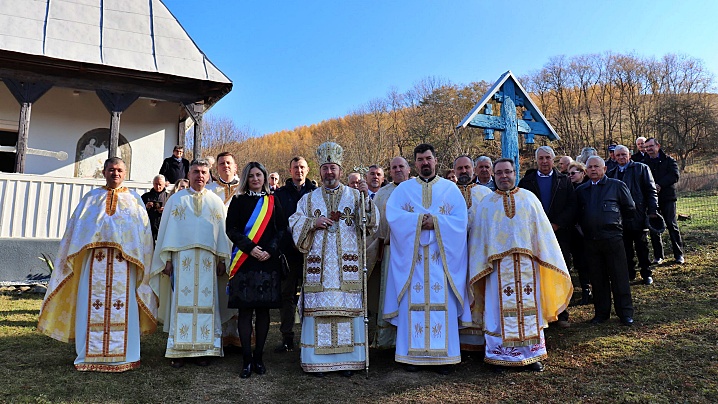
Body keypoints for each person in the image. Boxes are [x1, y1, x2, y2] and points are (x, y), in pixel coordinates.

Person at [38, 157, 158, 372]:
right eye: (111, 169)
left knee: (124, 306)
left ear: (125, 172)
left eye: (120, 170)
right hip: (94, 263)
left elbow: (143, 236)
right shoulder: (91, 199)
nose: (116, 173)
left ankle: (127, 355)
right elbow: (76, 232)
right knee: (90, 304)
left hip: (125, 264)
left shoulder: (134, 200)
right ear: (103, 172)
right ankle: (89, 354)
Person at [468, 158, 572, 372]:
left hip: (527, 267)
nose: (504, 176)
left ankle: (531, 356)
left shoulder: (529, 199)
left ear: (515, 173)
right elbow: (478, 241)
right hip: (496, 269)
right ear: (494, 176)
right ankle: (499, 357)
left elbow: (543, 234)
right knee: (497, 311)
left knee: (529, 309)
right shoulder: (486, 204)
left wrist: (543, 258)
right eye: (499, 173)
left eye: (507, 172)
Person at [289, 142, 378, 377]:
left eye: (333, 168)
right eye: (325, 168)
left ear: (340, 169)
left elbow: (370, 224)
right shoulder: (308, 200)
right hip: (318, 270)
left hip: (346, 268)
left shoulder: (355, 196)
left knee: (346, 312)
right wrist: (312, 223)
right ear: (320, 170)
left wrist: (367, 198)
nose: (329, 172)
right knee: (320, 312)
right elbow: (294, 223)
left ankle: (348, 362)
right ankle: (317, 361)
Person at [385, 143, 471, 375]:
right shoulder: (403, 190)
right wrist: (416, 222)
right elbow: (393, 217)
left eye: (429, 158)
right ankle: (412, 357)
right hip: (412, 263)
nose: (425, 163)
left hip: (441, 262)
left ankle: (444, 358)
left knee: (442, 304)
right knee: (412, 305)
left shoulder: (450, 189)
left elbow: (461, 221)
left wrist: (436, 222)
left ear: (435, 161)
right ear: (415, 163)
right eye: (420, 159)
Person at [150, 159, 232, 368]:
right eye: (196, 172)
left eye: (204, 172)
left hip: (208, 262)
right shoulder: (176, 200)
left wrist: (223, 259)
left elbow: (222, 233)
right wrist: (166, 259)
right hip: (182, 260)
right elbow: (167, 231)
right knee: (181, 304)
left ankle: (204, 349)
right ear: (189, 173)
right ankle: (179, 350)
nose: (200, 176)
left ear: (209, 174)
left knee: (208, 304)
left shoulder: (215, 202)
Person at [226, 162, 287, 378]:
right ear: (245, 178)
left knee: (263, 311)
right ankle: (246, 359)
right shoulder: (238, 200)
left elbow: (281, 229)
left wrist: (269, 250)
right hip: (245, 260)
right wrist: (251, 249)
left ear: (264, 177)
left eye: (259, 175)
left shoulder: (272, 200)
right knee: (245, 311)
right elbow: (231, 229)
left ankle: (259, 357)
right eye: (251, 175)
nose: (255, 179)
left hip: (268, 261)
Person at [518, 145, 576, 328]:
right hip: (533, 236)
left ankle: (561, 313)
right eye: (541, 158)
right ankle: (538, 312)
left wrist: (556, 224)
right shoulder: (526, 182)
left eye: (547, 158)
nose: (544, 161)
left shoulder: (564, 181)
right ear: (536, 160)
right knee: (537, 272)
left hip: (559, 234)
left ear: (553, 160)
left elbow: (572, 206)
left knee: (559, 269)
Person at [575, 156, 636, 326]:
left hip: (613, 239)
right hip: (591, 241)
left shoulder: (617, 186)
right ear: (585, 170)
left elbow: (630, 210)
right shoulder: (581, 190)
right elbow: (577, 215)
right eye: (590, 167)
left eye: (597, 166)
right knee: (597, 278)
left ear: (604, 169)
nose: (593, 170)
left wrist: (619, 229)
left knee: (619, 277)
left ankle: (625, 313)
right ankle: (601, 313)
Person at [273, 156, 318, 352]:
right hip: (288, 252)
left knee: (312, 294)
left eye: (302, 167)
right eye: (295, 168)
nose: (298, 171)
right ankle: (287, 337)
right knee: (287, 295)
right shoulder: (280, 194)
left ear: (307, 170)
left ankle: (312, 336)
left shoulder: (316, 194)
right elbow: (277, 223)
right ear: (289, 171)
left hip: (311, 253)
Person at [367, 156, 410, 349]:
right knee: (390, 294)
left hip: (413, 252)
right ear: (390, 172)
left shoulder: (417, 190)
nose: (398, 169)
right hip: (390, 252)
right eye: (394, 167)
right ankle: (388, 341)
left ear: (409, 169)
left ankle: (411, 337)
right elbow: (374, 227)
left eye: (401, 166)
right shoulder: (382, 194)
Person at [454, 155, 492, 353]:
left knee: (479, 291)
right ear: (454, 171)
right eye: (459, 168)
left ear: (474, 170)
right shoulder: (448, 193)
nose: (464, 171)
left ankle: (480, 338)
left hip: (479, 251)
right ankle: (457, 339)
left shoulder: (485, 193)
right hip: (455, 254)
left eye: (467, 167)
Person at [205, 152, 242, 348]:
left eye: (229, 163)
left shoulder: (244, 190)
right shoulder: (209, 191)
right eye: (221, 164)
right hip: (217, 246)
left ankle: (238, 337)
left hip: (240, 248)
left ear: (235, 166)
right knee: (219, 291)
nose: (225, 166)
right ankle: (219, 337)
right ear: (216, 168)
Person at [607, 145, 659, 285]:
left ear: (629, 154)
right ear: (614, 157)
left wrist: (653, 210)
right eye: (618, 155)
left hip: (639, 214)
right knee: (625, 248)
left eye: (623, 154)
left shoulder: (641, 168)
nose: (621, 157)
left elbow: (651, 190)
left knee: (642, 246)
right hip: (620, 217)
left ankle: (646, 273)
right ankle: (630, 272)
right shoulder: (612, 173)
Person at [643, 138, 684, 264]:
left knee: (672, 225)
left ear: (658, 146)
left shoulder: (669, 160)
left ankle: (678, 255)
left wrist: (660, 184)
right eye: (647, 147)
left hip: (667, 198)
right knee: (654, 228)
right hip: (651, 200)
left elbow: (674, 175)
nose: (649, 149)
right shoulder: (644, 162)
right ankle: (658, 256)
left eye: (651, 146)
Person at [567, 162, 592, 304]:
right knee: (580, 263)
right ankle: (585, 291)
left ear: (582, 173)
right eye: (569, 174)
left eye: (573, 173)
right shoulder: (568, 189)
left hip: (589, 230)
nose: (570, 176)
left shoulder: (589, 187)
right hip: (575, 232)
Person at [142, 174, 169, 241]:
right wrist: (146, 207)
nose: (158, 186)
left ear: (164, 184)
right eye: (156, 184)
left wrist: (166, 211)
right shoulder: (145, 196)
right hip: (148, 228)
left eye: (160, 184)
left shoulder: (168, 197)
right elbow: (137, 212)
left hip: (163, 229)